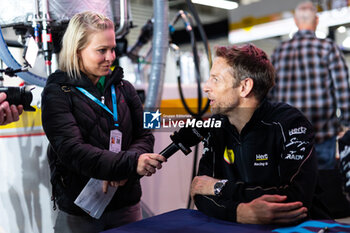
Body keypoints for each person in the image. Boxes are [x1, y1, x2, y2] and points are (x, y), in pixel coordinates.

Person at [41, 11, 166, 233]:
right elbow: (72, 150)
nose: (110, 57)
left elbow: (145, 135)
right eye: (101, 50)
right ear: (77, 51)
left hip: (126, 206)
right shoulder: (57, 93)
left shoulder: (125, 88)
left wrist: (125, 167)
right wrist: (126, 165)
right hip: (80, 213)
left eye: (112, 49)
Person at [190, 44, 329, 225]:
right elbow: (200, 191)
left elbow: (294, 198)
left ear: (244, 87)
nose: (206, 87)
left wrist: (219, 187)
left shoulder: (290, 123)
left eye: (215, 79)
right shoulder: (216, 128)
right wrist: (239, 212)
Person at [269, 1, 350, 170]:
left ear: (296, 21)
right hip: (323, 133)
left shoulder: (279, 52)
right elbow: (342, 90)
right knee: (325, 185)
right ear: (317, 20)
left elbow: (269, 93)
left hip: (289, 135)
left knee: (293, 186)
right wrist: (346, 122)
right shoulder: (328, 48)